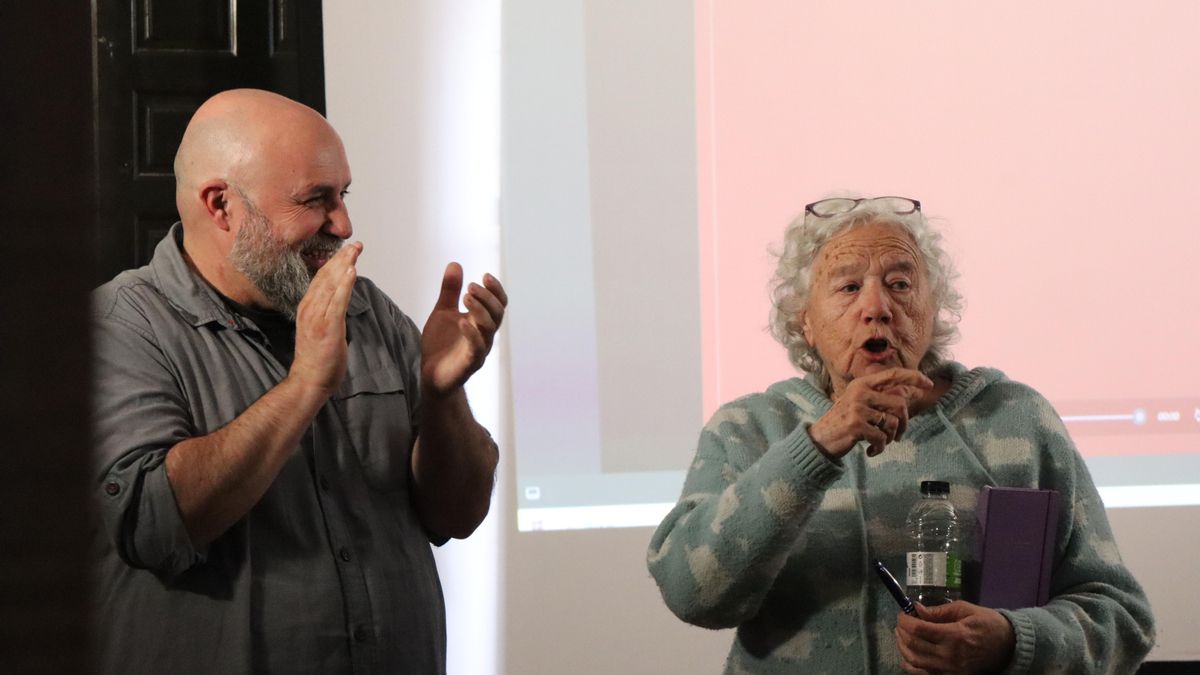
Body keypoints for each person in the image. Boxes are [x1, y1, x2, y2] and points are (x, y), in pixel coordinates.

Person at [646, 196, 1155, 674]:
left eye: (900, 284)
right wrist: (817, 444)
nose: (877, 307)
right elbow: (694, 595)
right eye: (848, 288)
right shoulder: (749, 429)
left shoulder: (1016, 419)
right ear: (805, 322)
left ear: (934, 310)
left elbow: (1122, 619)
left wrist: (1010, 639)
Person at [91, 89, 506, 674]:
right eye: (316, 200)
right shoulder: (121, 327)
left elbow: (457, 515)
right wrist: (305, 385)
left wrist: (442, 395)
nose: (343, 223)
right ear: (221, 206)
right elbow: (152, 523)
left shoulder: (368, 311)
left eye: (343, 196)